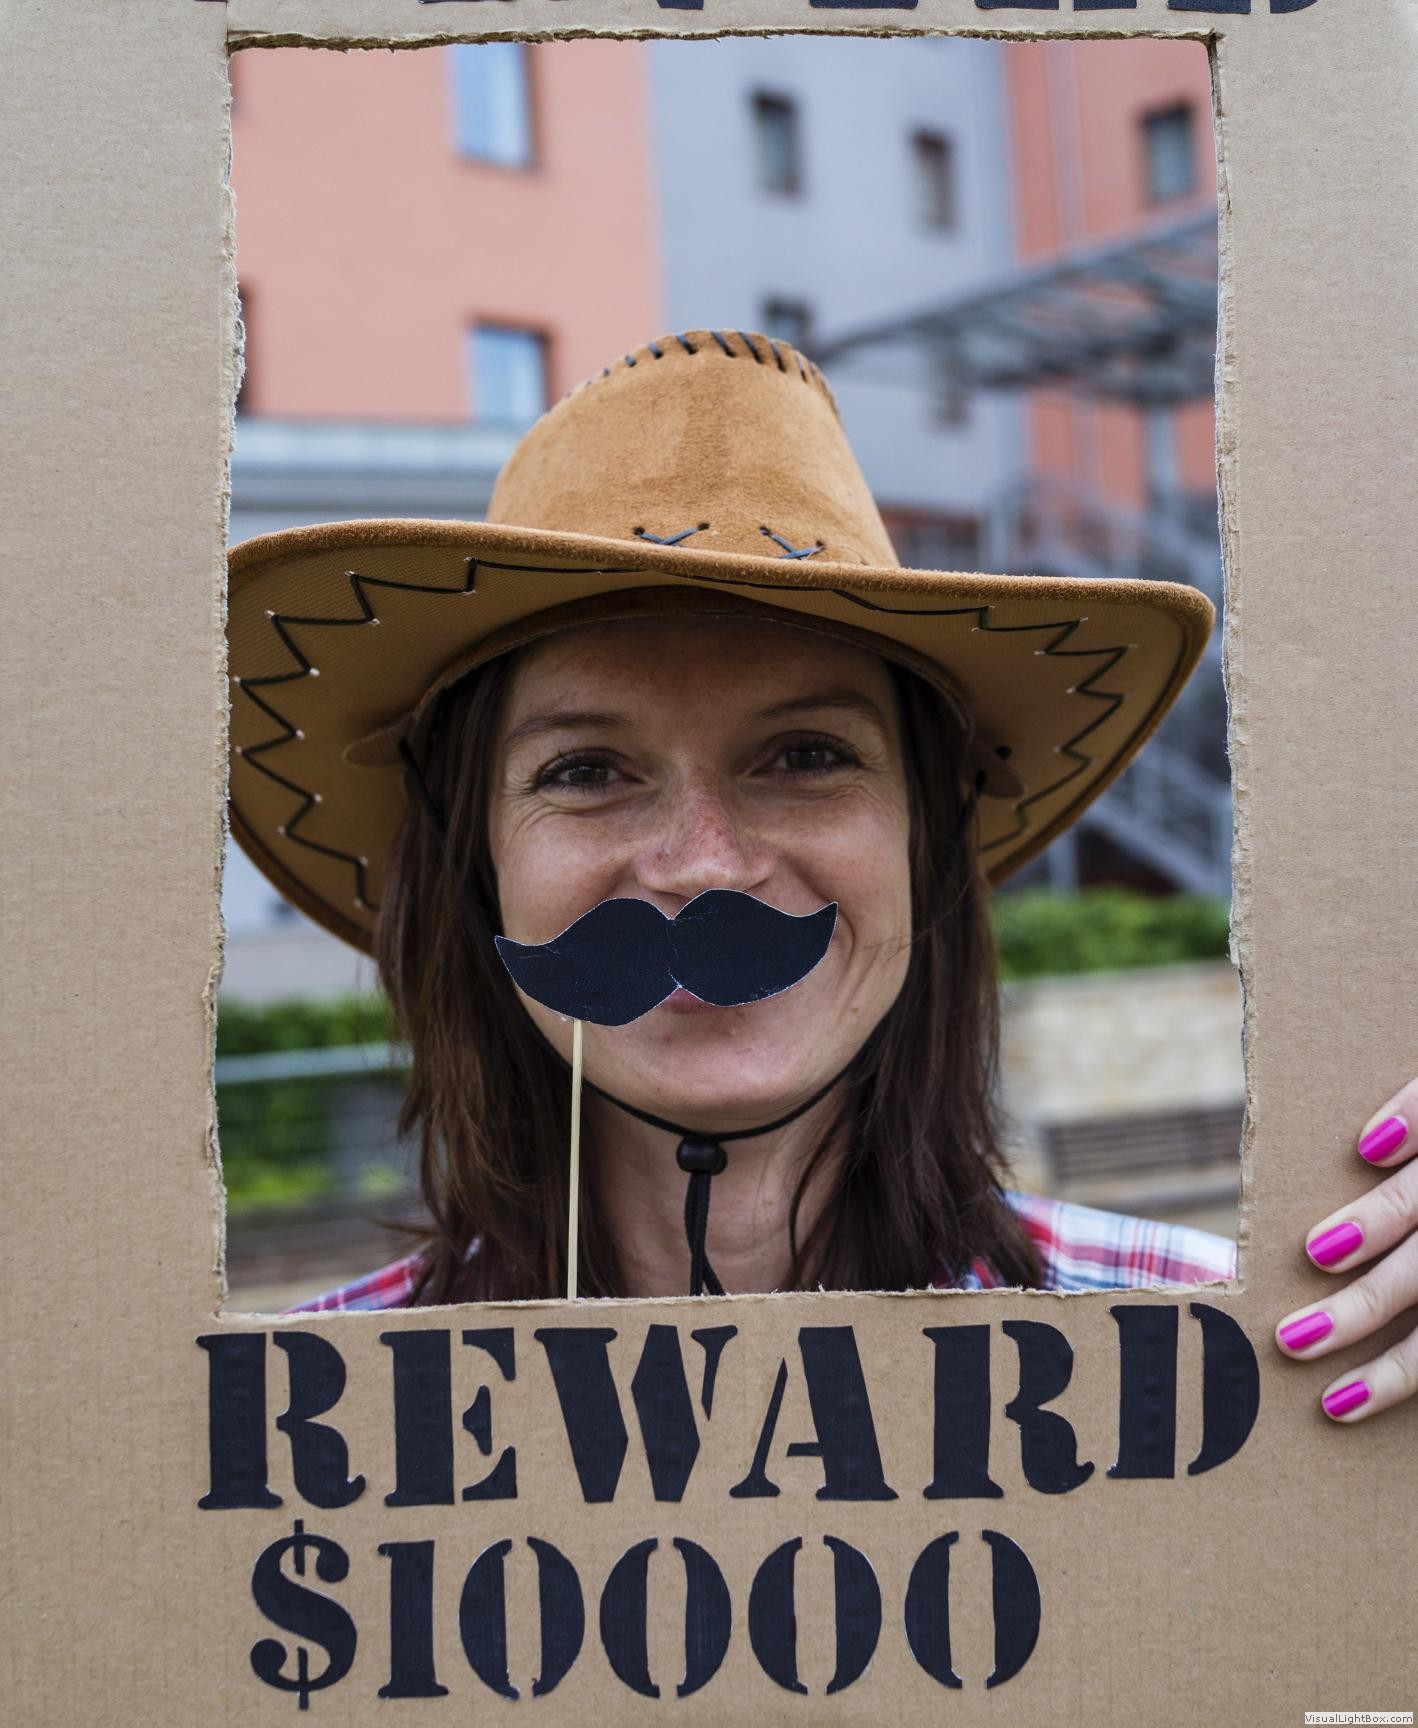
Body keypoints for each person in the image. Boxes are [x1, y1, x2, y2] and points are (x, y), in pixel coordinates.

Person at [227, 330, 1418, 1423]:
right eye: (583, 770)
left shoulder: (1227, 1368)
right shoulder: (280, 1440)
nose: (703, 864)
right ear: (472, 862)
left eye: (804, 755)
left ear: (923, 836)